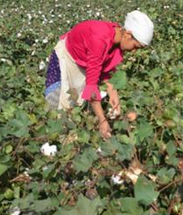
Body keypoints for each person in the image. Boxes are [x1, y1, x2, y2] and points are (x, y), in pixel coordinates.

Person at [44, 10, 154, 139]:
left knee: (77, 106)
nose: (134, 52)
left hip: (84, 62)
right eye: (136, 46)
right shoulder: (99, 38)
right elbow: (92, 85)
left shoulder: (117, 41)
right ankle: (52, 146)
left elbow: (106, 71)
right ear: (128, 34)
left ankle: (73, 143)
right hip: (66, 58)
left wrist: (113, 95)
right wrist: (102, 120)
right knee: (58, 107)